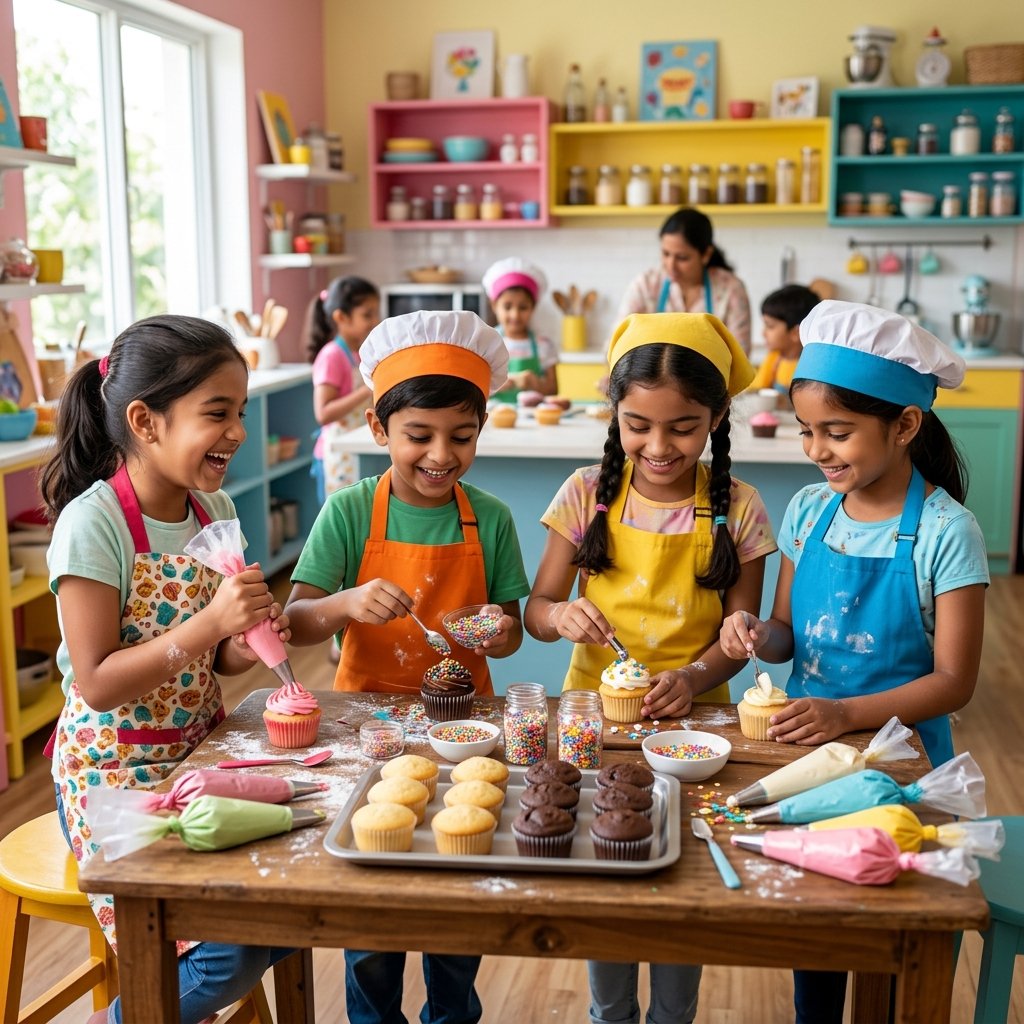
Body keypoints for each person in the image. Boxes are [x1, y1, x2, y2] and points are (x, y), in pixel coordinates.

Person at [718, 300, 989, 1024]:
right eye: (808, 431)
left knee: (886, 931)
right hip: (810, 753)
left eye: (837, 432)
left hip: (902, 763)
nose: (817, 449)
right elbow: (784, 632)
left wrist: (845, 713)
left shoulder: (946, 531)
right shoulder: (810, 509)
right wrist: (751, 631)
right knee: (820, 915)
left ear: (905, 426)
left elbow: (954, 681)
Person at [525, 312, 777, 1024]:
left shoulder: (740, 508)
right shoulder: (584, 494)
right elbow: (537, 608)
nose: (658, 446)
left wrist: (695, 677)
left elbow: (738, 635)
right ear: (615, 412)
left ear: (717, 417)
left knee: (681, 883)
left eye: (683, 427)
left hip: (697, 730)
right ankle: (611, 1016)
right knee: (605, 877)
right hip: (591, 726)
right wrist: (561, 615)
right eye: (637, 425)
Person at [40, 315, 293, 1024]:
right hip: (113, 779)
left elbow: (217, 660)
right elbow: (96, 681)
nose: (237, 431)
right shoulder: (95, 526)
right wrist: (211, 621)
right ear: (145, 421)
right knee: (225, 956)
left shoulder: (212, 507)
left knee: (299, 905)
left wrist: (245, 636)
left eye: (239, 411)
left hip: (198, 754)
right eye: (217, 413)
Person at [285, 309, 531, 1024]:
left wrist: (484, 628)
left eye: (462, 437)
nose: (440, 455)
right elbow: (295, 622)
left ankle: (452, 1014)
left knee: (456, 898)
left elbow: (512, 634)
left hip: (466, 734)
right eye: (418, 436)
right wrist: (349, 602)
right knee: (373, 905)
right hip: (369, 728)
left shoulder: (490, 518)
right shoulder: (349, 512)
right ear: (378, 428)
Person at [618, 207, 752, 353]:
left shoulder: (731, 289)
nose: (671, 265)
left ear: (706, 254)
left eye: (682, 258)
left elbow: (740, 357)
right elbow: (618, 344)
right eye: (665, 254)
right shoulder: (645, 286)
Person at [306, 275, 380, 503]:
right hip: (338, 454)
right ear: (341, 317)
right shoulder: (332, 355)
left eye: (376, 313)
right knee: (344, 520)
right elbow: (323, 413)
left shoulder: (357, 353)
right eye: (367, 315)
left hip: (357, 447)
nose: (375, 321)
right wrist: (367, 389)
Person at [481, 256, 558, 402]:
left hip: (535, 420)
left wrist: (536, 384)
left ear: (533, 307)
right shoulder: (486, 343)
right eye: (507, 306)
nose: (515, 315)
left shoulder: (544, 344)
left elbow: (553, 390)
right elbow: (475, 387)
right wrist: (498, 384)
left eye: (523, 307)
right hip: (495, 419)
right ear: (494, 305)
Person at [748, 283, 821, 396]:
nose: (763, 333)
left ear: (795, 333)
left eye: (770, 326)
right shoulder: (774, 357)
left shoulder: (811, 368)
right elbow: (756, 387)